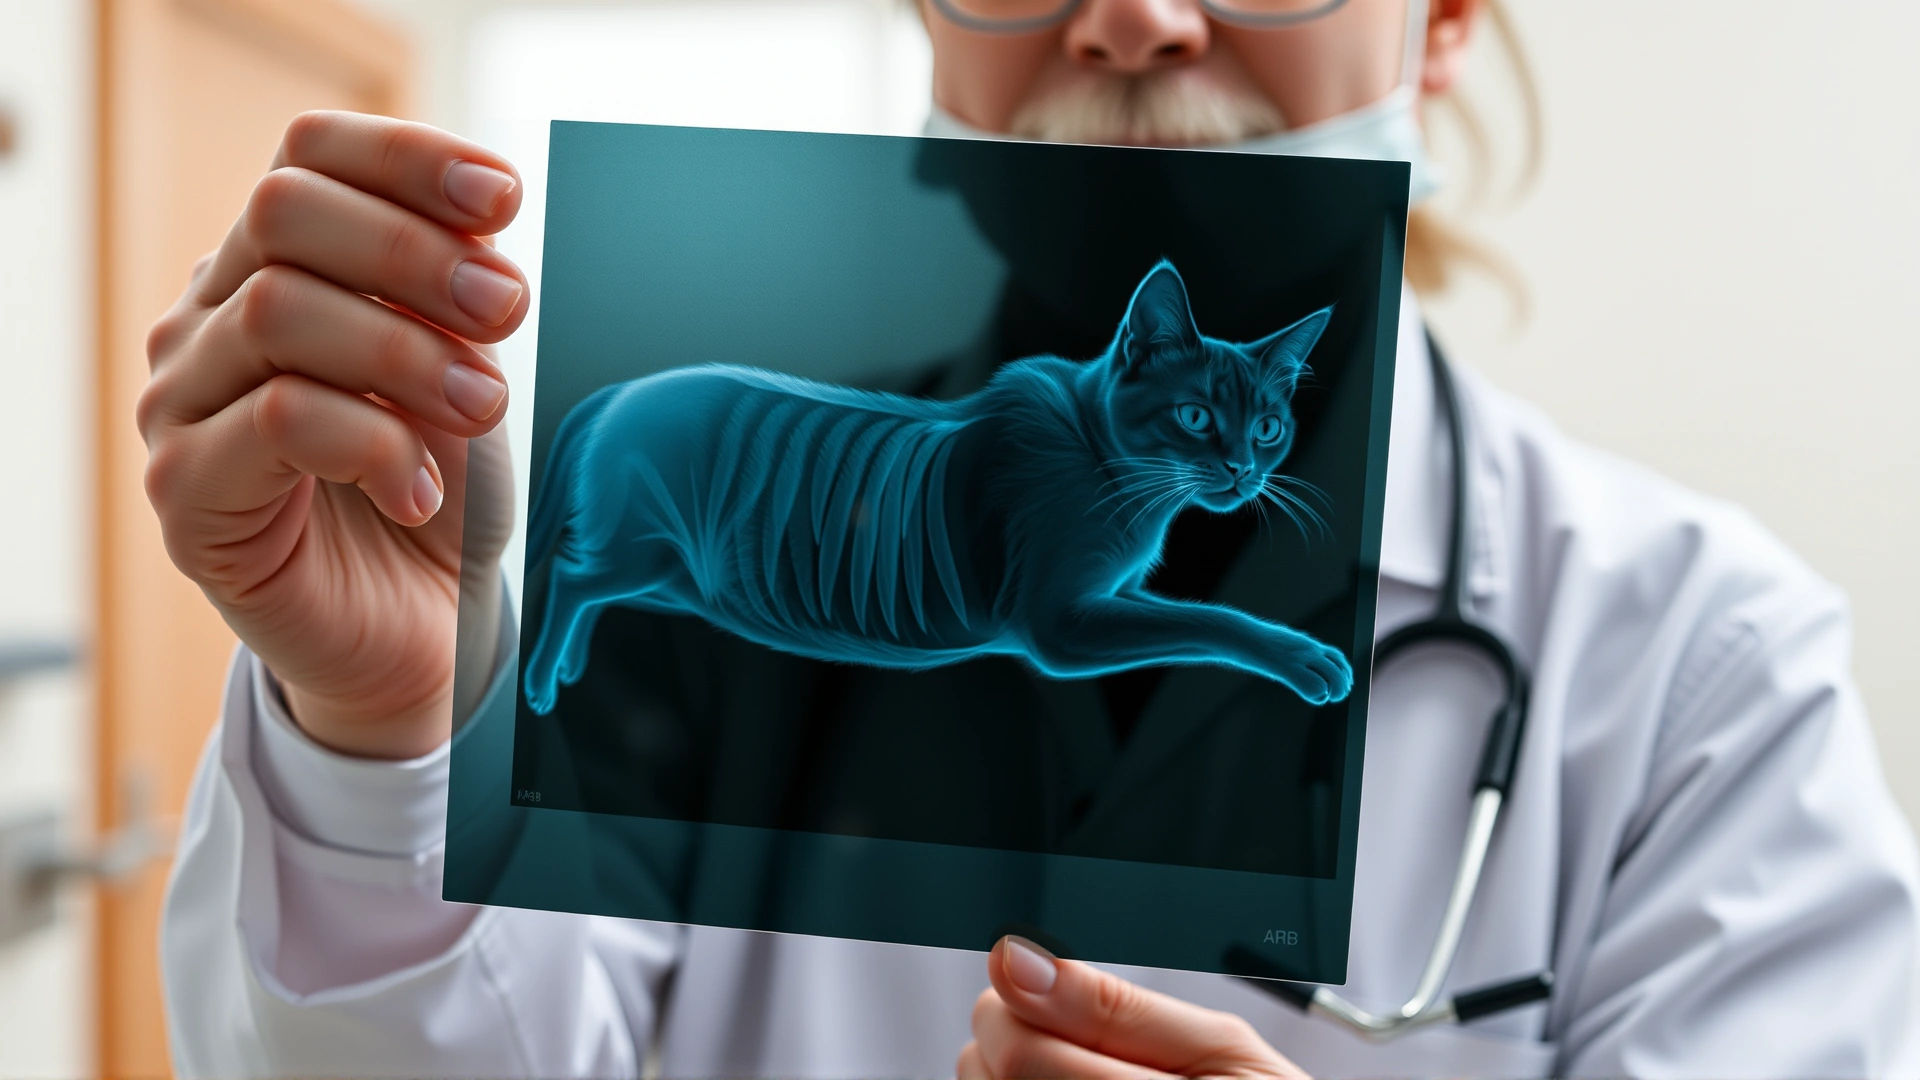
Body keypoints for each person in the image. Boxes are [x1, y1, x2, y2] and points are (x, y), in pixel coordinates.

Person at [144, 0, 1920, 1075]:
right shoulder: (737, 512)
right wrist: (386, 739)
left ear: (1444, 19)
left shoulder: (1708, 674)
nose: (1132, 13)